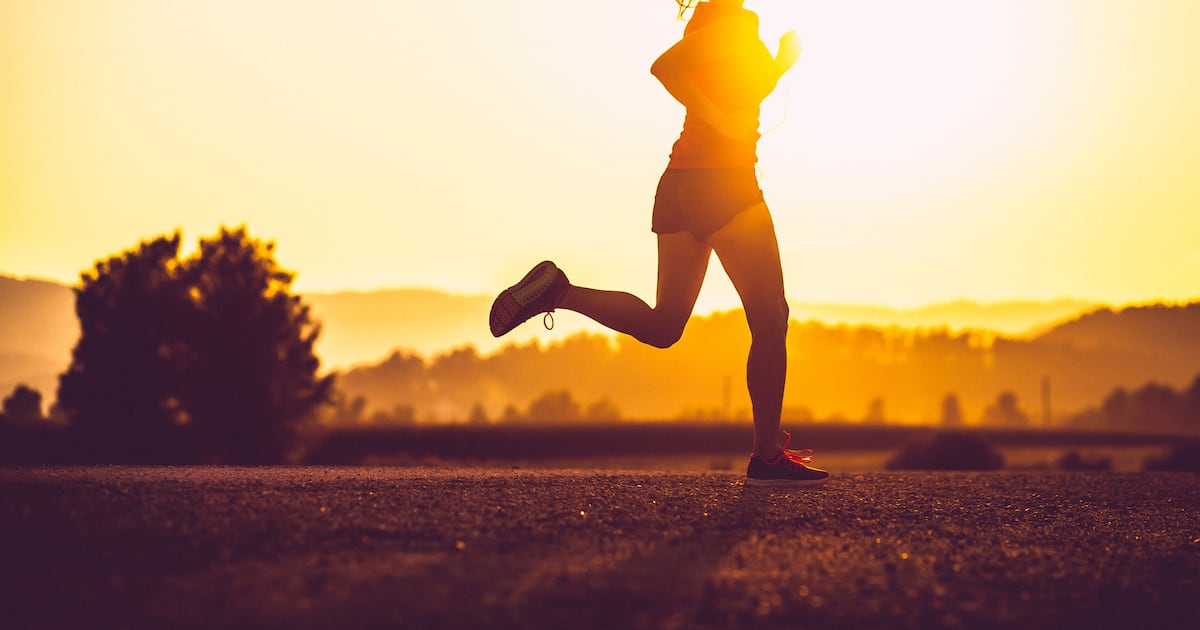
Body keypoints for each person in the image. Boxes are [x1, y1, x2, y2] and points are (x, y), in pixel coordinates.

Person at [489, 0, 828, 488]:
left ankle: (558, 293)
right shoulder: (728, 21)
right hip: (726, 186)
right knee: (771, 319)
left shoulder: (723, 23)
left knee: (665, 325)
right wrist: (716, 115)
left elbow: (737, 97)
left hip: (681, 188)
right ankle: (766, 456)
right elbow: (666, 69)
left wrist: (776, 65)